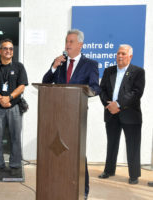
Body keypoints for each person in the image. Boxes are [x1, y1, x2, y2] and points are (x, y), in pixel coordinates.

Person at [42, 29, 100, 199]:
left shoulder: (90, 64)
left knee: (78, 151)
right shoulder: (59, 63)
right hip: (57, 114)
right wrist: (53, 67)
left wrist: (83, 91)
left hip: (77, 114)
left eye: (71, 42)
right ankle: (60, 184)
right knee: (58, 150)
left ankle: (84, 190)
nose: (67, 45)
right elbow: (46, 83)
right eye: (66, 41)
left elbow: (96, 88)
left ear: (80, 45)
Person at [98, 44, 145, 185]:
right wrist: (109, 105)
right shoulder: (108, 71)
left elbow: (137, 92)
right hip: (111, 113)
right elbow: (102, 90)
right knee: (112, 143)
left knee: (133, 145)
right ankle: (109, 170)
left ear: (130, 56)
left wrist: (117, 104)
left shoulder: (138, 72)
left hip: (130, 114)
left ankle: (134, 175)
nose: (120, 56)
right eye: (118, 53)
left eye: (123, 53)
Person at [0, 39, 28, 176]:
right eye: (5, 48)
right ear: (0, 51)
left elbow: (22, 85)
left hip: (14, 107)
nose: (8, 51)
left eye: (11, 49)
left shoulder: (19, 67)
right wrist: (0, 98)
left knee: (15, 137)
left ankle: (15, 165)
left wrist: (9, 98)